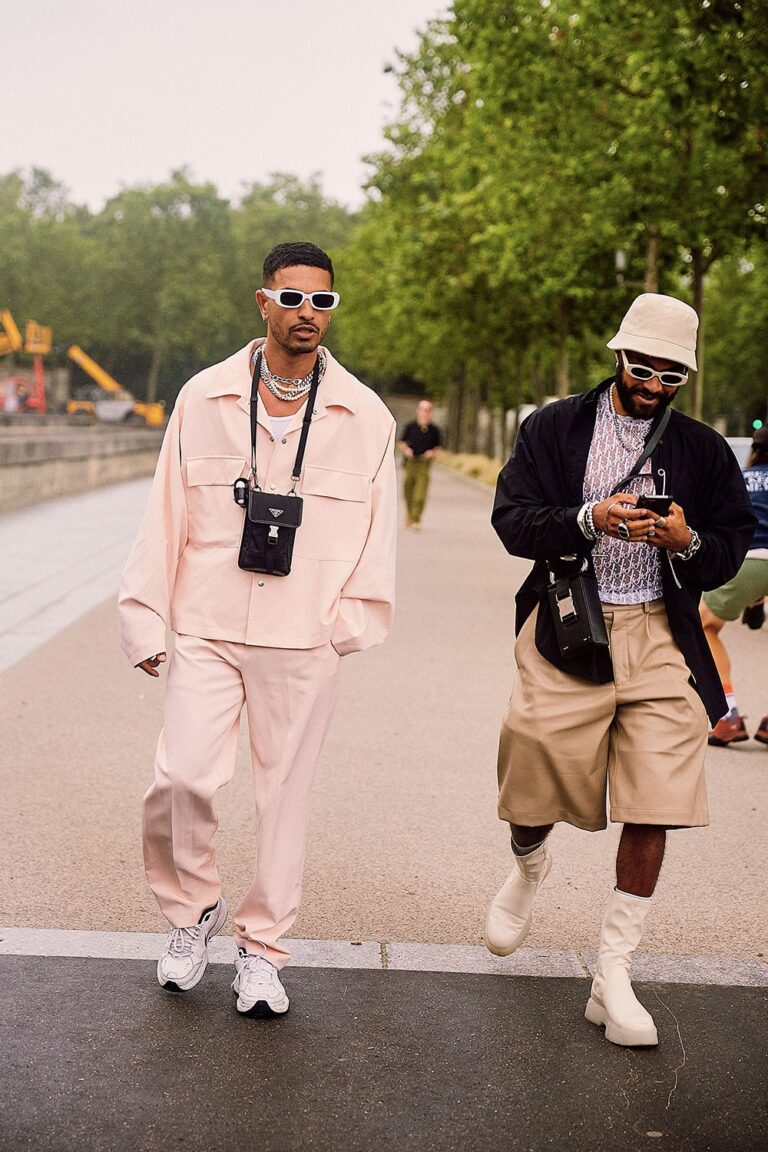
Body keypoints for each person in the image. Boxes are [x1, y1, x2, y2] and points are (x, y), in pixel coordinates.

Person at [119, 241, 396, 1017]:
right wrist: (145, 618)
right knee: (182, 778)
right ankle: (190, 912)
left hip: (303, 635)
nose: (308, 313)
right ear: (262, 301)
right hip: (207, 623)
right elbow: (164, 510)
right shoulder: (203, 396)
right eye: (293, 297)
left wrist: (345, 623)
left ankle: (264, 950)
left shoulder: (364, 415)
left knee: (284, 799)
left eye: (323, 301)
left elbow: (379, 534)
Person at [485, 293, 755, 1048]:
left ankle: (614, 973)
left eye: (672, 375)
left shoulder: (703, 450)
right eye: (643, 368)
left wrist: (687, 539)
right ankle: (528, 864)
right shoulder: (553, 428)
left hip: (662, 634)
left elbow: (731, 543)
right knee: (534, 755)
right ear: (618, 357)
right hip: (573, 623)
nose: (654, 384)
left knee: (659, 795)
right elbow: (512, 521)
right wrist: (588, 518)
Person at [700, 426, 768, 747]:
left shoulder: (740, 479)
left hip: (747, 558)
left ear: (754, 449)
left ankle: (727, 715)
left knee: (705, 625)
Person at [397, 399, 442, 529]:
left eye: (428, 410)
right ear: (418, 411)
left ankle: (416, 519)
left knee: (420, 492)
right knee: (408, 489)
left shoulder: (434, 430)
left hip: (424, 463)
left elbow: (438, 447)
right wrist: (406, 450)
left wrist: (431, 453)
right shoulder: (410, 427)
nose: (425, 413)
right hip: (411, 462)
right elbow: (401, 442)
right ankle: (409, 514)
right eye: (423, 410)